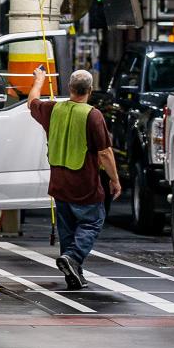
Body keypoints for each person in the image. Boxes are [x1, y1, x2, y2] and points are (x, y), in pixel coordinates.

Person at [28, 67, 121, 290]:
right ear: (90, 90)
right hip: (85, 184)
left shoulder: (52, 109)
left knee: (67, 229)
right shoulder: (93, 115)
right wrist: (115, 180)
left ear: (69, 88)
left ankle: (73, 273)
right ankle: (73, 258)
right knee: (92, 221)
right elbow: (105, 153)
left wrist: (39, 80)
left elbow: (31, 102)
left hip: (59, 183)